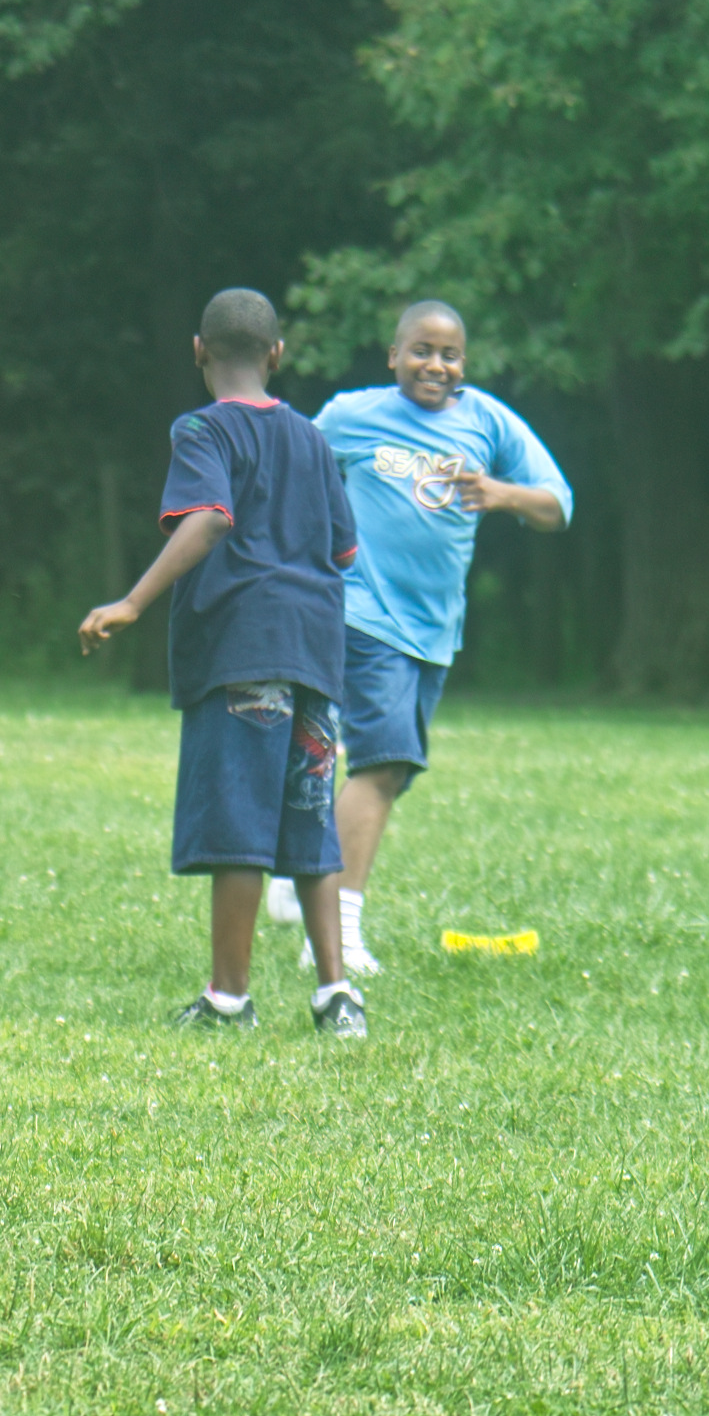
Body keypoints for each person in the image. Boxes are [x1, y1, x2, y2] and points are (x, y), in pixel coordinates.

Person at [79, 288, 364, 1039]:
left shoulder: (202, 428)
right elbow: (344, 550)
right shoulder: (312, 439)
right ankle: (337, 996)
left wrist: (132, 602)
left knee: (239, 824)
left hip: (243, 648)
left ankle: (229, 1001)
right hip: (314, 650)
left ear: (199, 352)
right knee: (309, 817)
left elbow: (208, 518)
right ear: (277, 355)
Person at [268, 301, 572, 974]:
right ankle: (337, 934)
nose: (436, 365)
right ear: (393, 356)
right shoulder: (352, 416)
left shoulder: (489, 422)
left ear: (465, 363)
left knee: (392, 772)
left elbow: (558, 504)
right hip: (362, 614)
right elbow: (291, 471)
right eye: (421, 351)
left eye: (450, 355)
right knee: (382, 764)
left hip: (434, 631)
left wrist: (501, 494)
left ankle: (295, 867)